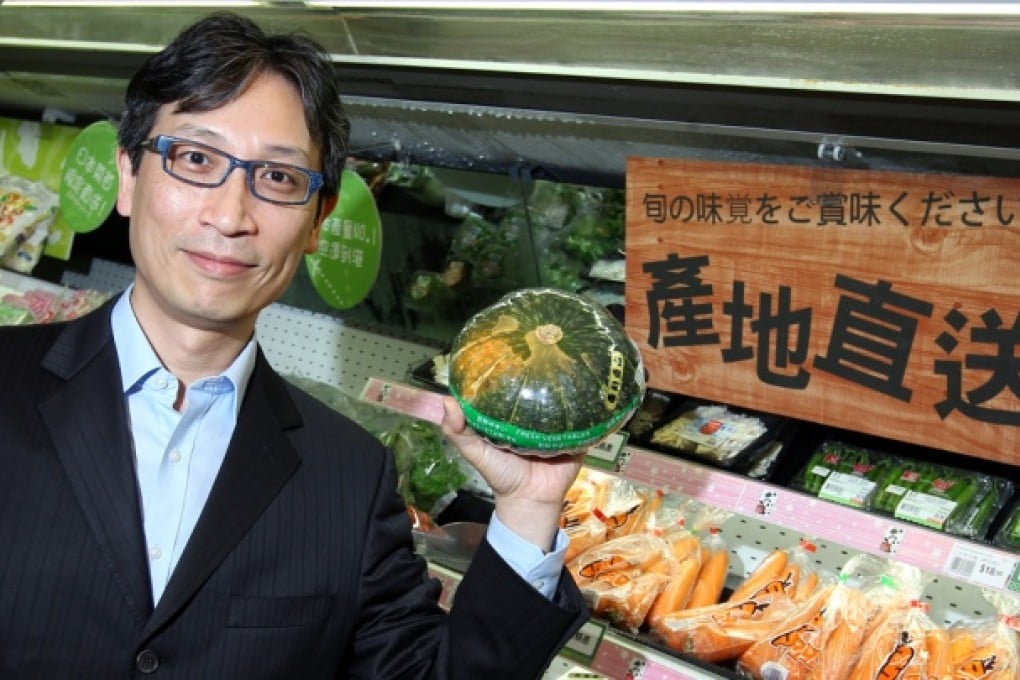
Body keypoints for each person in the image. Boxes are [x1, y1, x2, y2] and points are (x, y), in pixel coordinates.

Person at [0, 12, 587, 678]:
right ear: (129, 175)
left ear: (318, 221)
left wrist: (530, 506)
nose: (229, 216)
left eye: (278, 179)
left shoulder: (349, 477)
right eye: (196, 159)